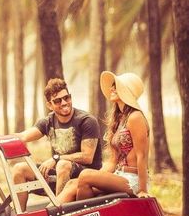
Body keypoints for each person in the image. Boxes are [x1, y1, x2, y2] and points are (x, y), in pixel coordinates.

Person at [58, 72, 149, 202]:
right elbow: (113, 161)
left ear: (126, 91)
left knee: (85, 175)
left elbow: (142, 156)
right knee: (73, 184)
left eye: (116, 86)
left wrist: (143, 190)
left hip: (133, 180)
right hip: (119, 175)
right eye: (112, 85)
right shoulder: (120, 120)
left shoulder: (135, 117)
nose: (111, 88)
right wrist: (97, 176)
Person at [12, 78, 103, 206]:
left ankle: (57, 213)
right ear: (49, 105)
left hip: (85, 178)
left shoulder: (86, 121)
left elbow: (87, 157)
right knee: (19, 169)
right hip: (60, 175)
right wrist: (0, 139)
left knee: (63, 164)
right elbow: (23, 136)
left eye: (67, 97)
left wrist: (56, 158)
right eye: (58, 100)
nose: (64, 102)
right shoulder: (48, 121)